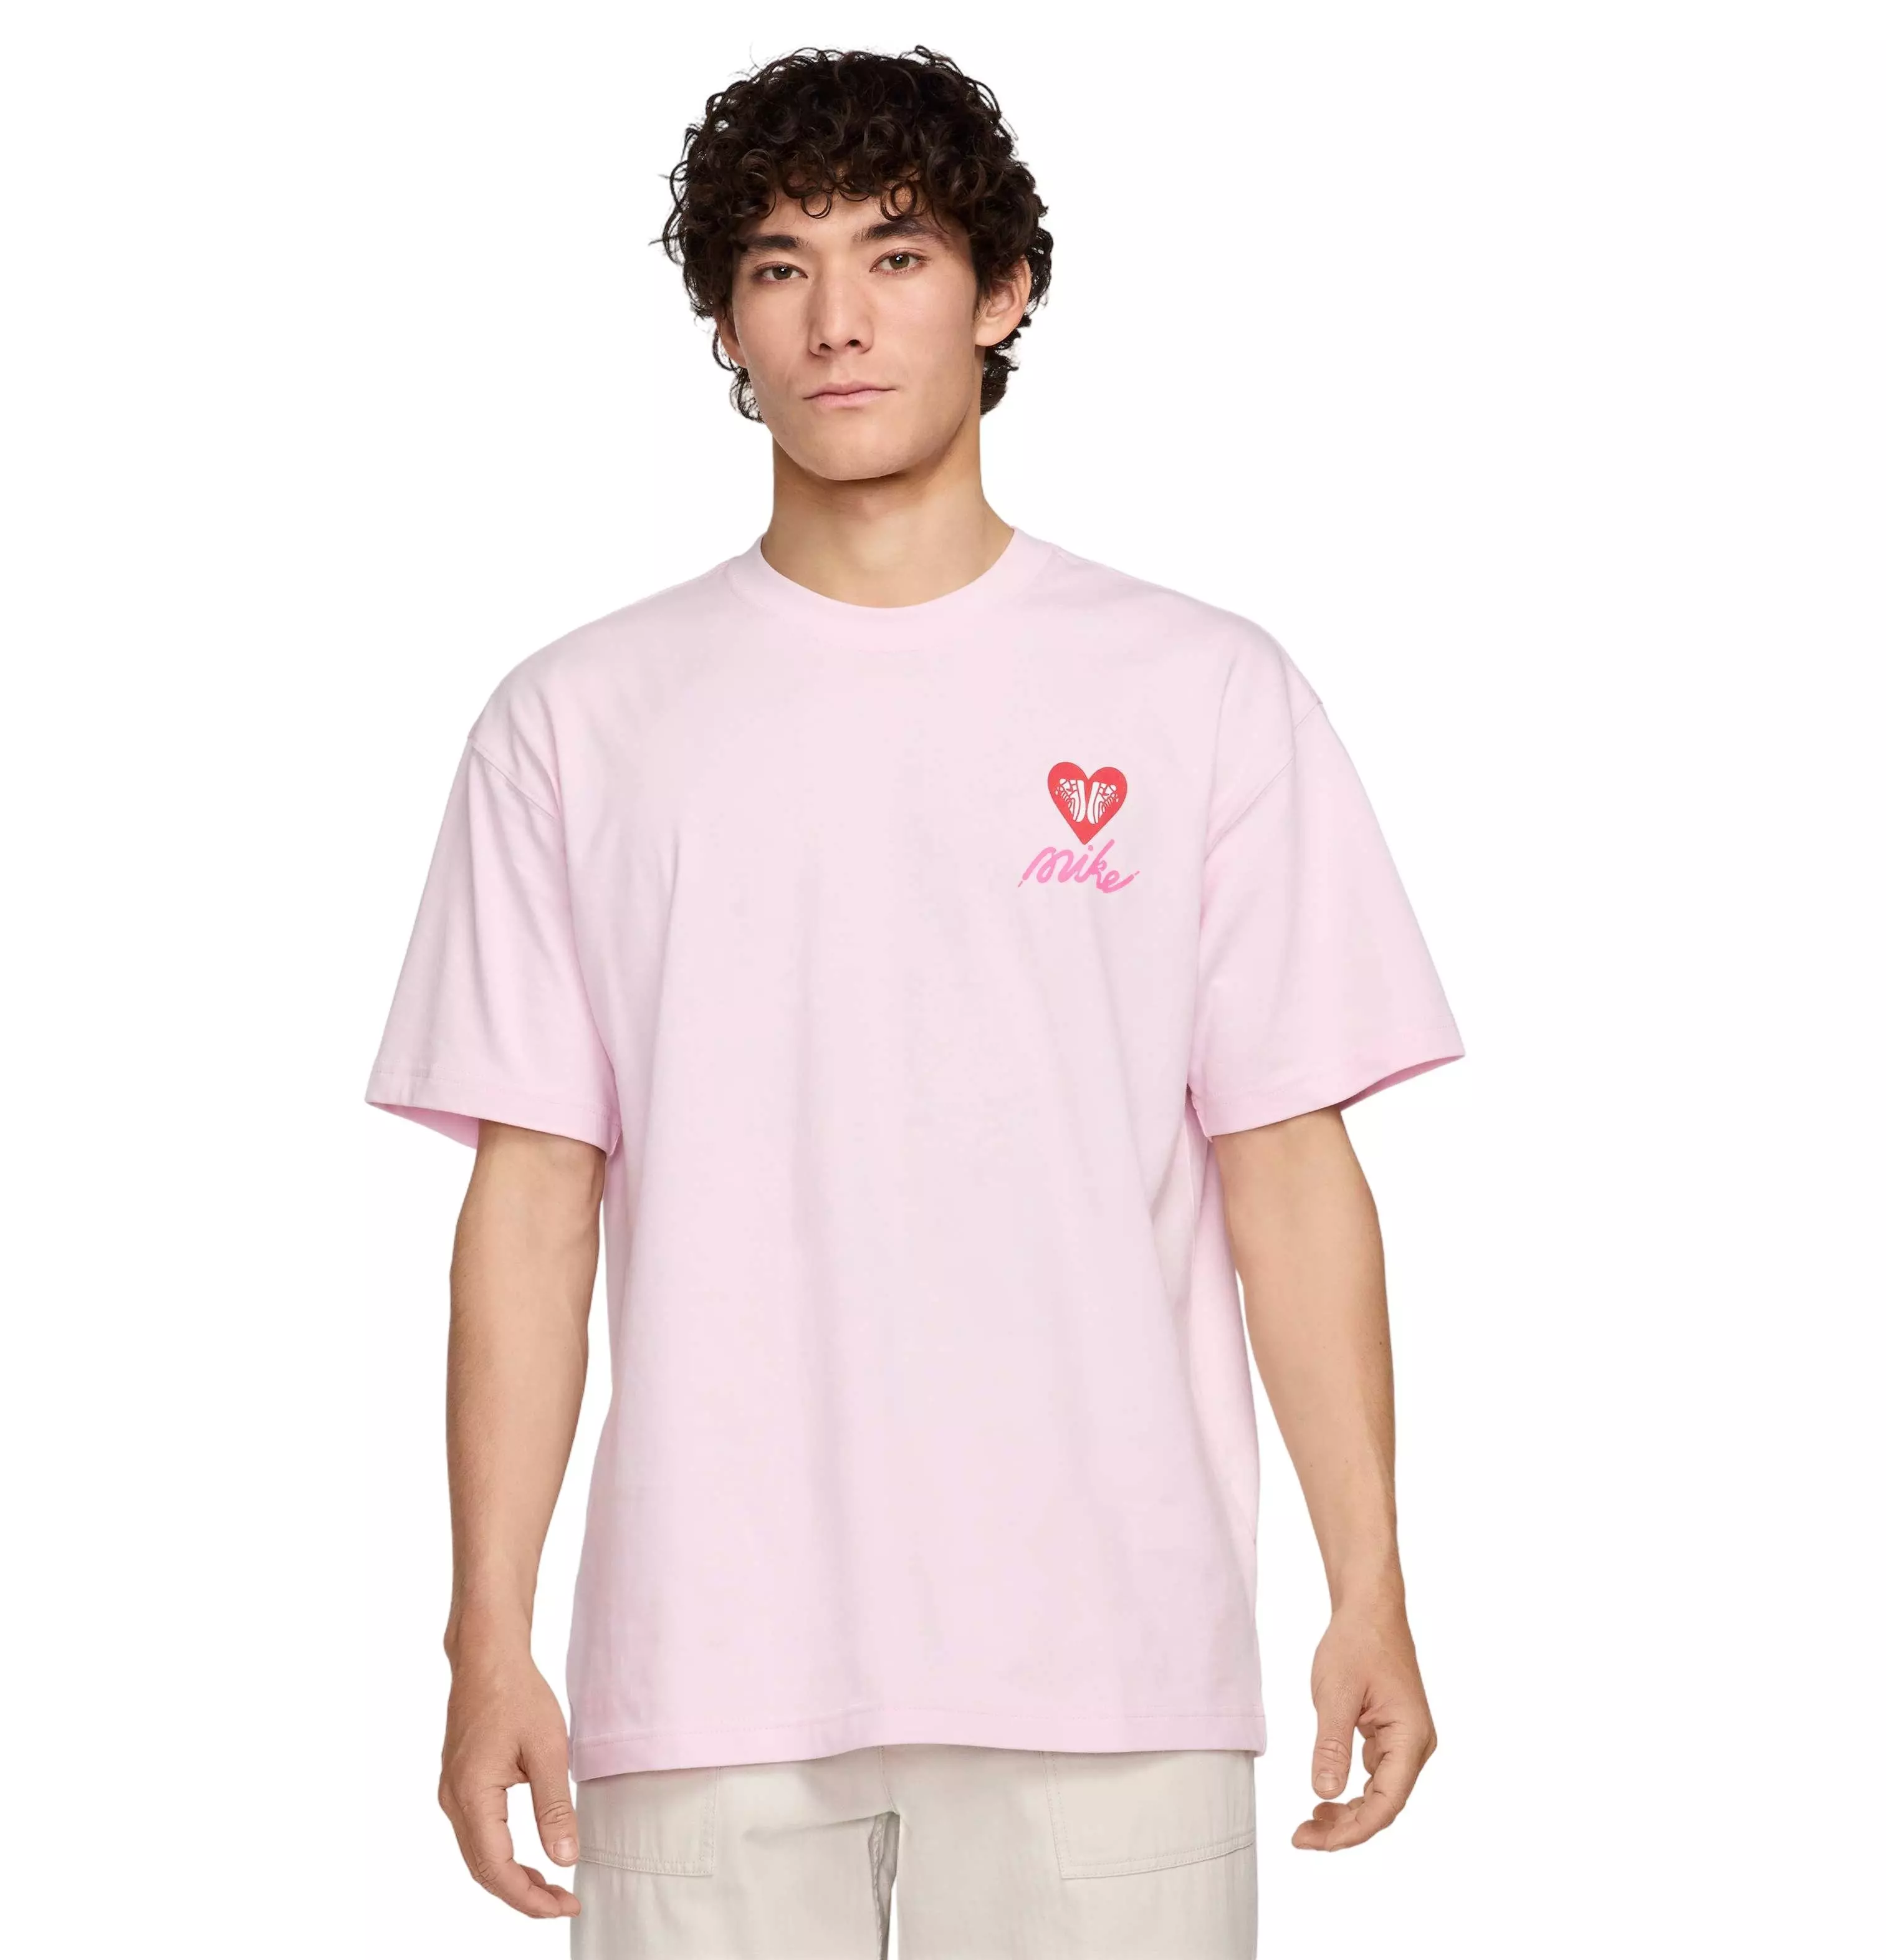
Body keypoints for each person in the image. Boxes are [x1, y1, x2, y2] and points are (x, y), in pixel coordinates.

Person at [365, 42, 1465, 1958]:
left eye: (894, 254)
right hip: (704, 1671)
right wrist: (488, 1641)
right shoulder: (578, 722)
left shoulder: (1199, 693)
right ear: (727, 319)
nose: (839, 322)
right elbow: (531, 1204)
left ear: (1002, 289)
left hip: (1107, 1665)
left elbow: (1285, 1161)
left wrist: (1369, 1582)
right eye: (779, 267)